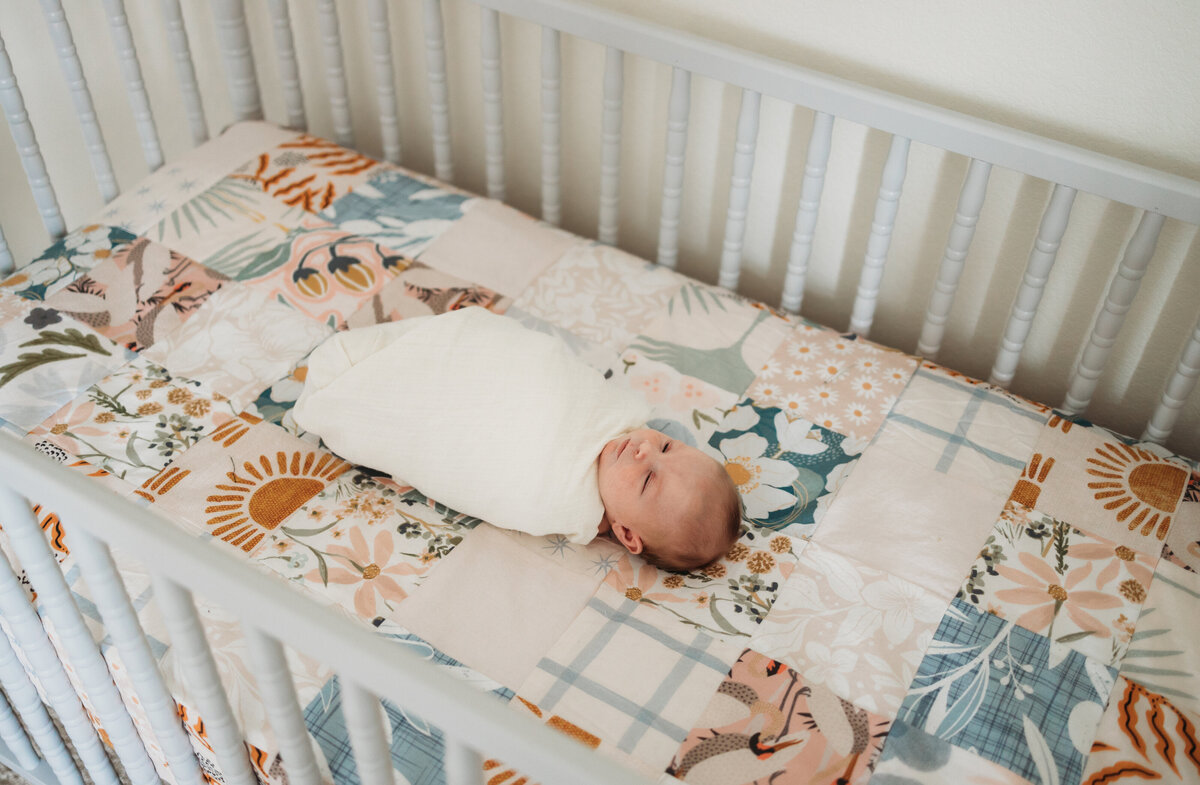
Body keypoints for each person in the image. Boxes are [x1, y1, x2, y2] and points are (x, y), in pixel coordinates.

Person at [292, 307, 741, 571]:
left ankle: (357, 390)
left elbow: (482, 466)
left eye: (646, 482)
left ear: (625, 533)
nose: (645, 451)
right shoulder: (619, 413)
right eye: (666, 447)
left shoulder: (560, 504)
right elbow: (545, 368)